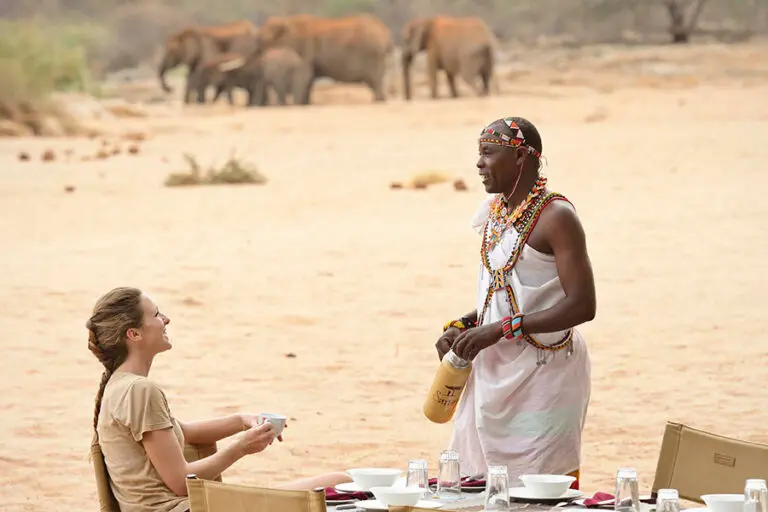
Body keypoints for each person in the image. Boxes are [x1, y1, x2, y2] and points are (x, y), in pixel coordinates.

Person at [434, 117, 595, 487]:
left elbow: (583, 305)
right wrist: (467, 325)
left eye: (488, 153)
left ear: (521, 157)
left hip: (545, 375)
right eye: (479, 154)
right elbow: (505, 292)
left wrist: (502, 329)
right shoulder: (496, 212)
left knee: (541, 486)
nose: (478, 164)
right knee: (477, 480)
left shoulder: (557, 217)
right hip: (493, 371)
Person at [87, 287, 351, 512]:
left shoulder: (119, 387)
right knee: (341, 484)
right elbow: (181, 482)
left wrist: (242, 421)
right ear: (134, 334)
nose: (166, 319)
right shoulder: (140, 391)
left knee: (341, 482)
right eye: (156, 315)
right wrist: (241, 448)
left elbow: (184, 433)